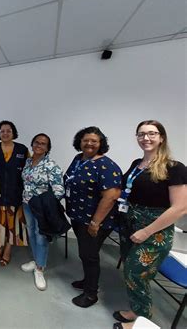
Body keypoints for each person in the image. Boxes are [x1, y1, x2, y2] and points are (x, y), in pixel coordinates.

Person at [113, 120, 187, 329]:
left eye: (152, 133)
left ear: (161, 137)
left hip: (154, 231)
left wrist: (146, 231)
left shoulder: (175, 168)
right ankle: (137, 311)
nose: (146, 138)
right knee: (132, 271)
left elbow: (181, 208)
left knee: (135, 272)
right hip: (130, 224)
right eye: (141, 134)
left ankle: (141, 319)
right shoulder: (137, 163)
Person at [64, 126, 122, 307]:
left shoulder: (106, 165)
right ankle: (87, 281)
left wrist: (95, 222)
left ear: (101, 144)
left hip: (94, 220)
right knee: (85, 252)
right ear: (79, 142)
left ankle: (91, 294)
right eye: (85, 140)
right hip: (78, 216)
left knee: (89, 255)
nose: (89, 143)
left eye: (94, 141)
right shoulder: (78, 159)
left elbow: (111, 196)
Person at [20, 133, 64, 290]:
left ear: (47, 148)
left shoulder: (51, 165)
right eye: (36, 142)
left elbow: (59, 190)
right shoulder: (27, 162)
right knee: (31, 233)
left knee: (41, 237)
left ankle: (40, 269)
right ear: (32, 144)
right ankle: (35, 260)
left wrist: (43, 203)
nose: (39, 145)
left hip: (42, 209)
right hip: (26, 205)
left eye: (43, 144)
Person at [0, 120, 29, 266]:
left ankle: (7, 250)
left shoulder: (22, 149)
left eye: (8, 131)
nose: (5, 133)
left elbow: (28, 170)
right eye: (2, 131)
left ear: (13, 133)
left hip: (15, 195)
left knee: (13, 225)